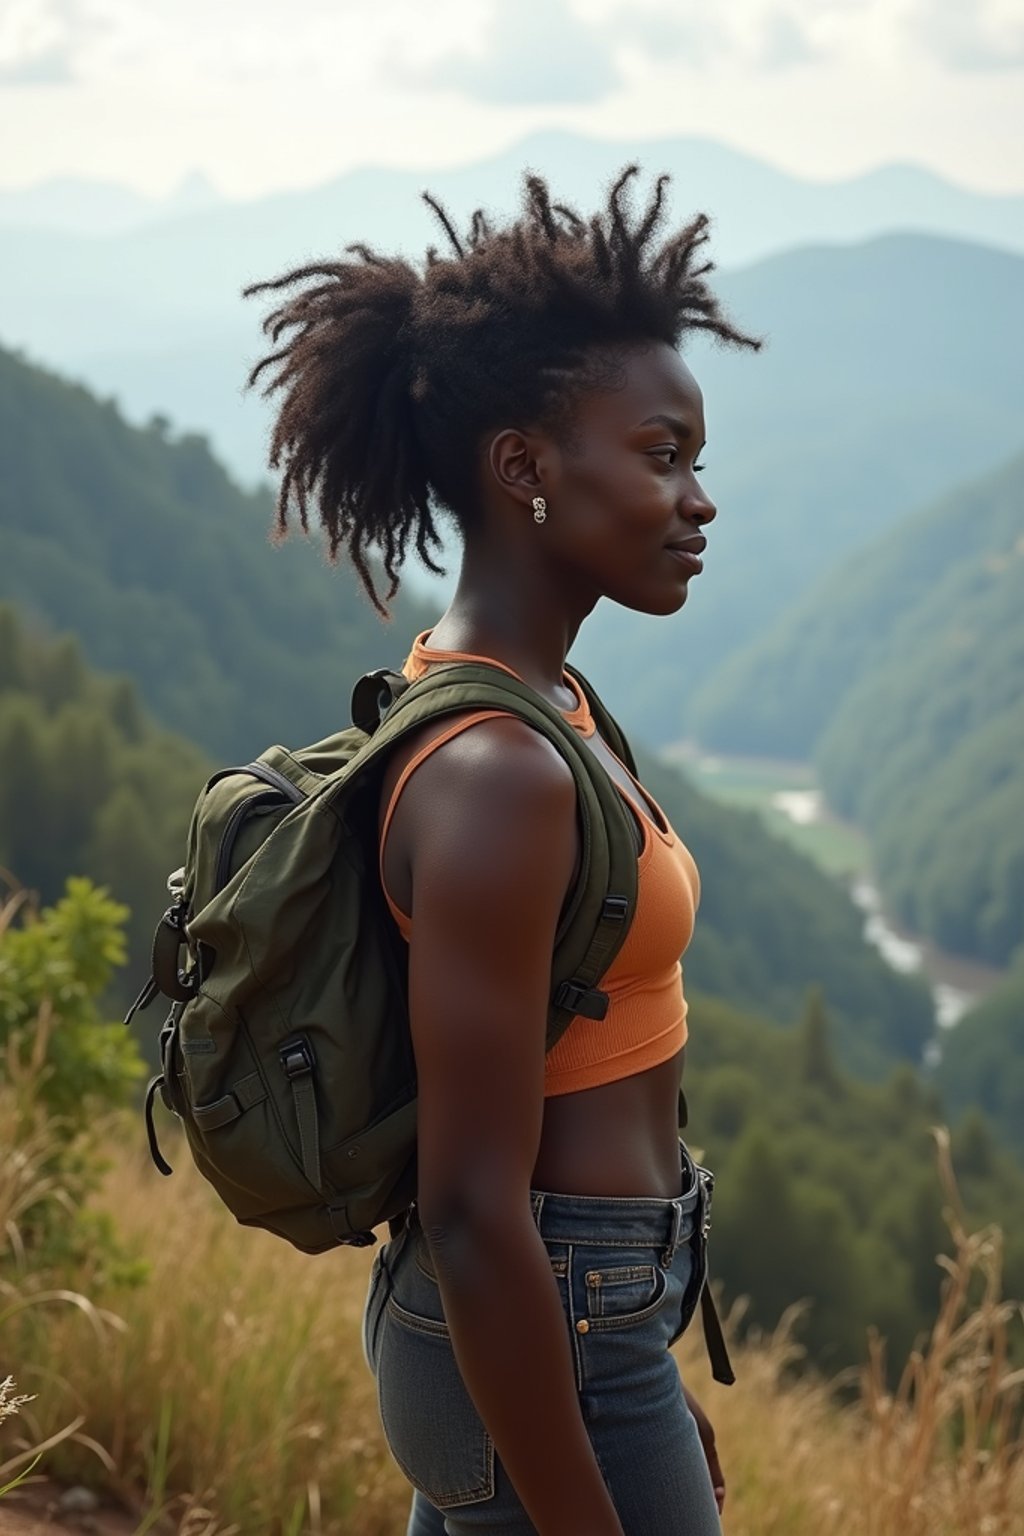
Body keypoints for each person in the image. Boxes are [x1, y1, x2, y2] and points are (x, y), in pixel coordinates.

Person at [245, 166, 760, 1536]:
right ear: (525, 469)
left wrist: (638, 1351)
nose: (699, 499)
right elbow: (476, 1206)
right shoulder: (501, 774)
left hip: (585, 1322)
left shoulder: (551, 714)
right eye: (663, 456)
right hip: (544, 1313)